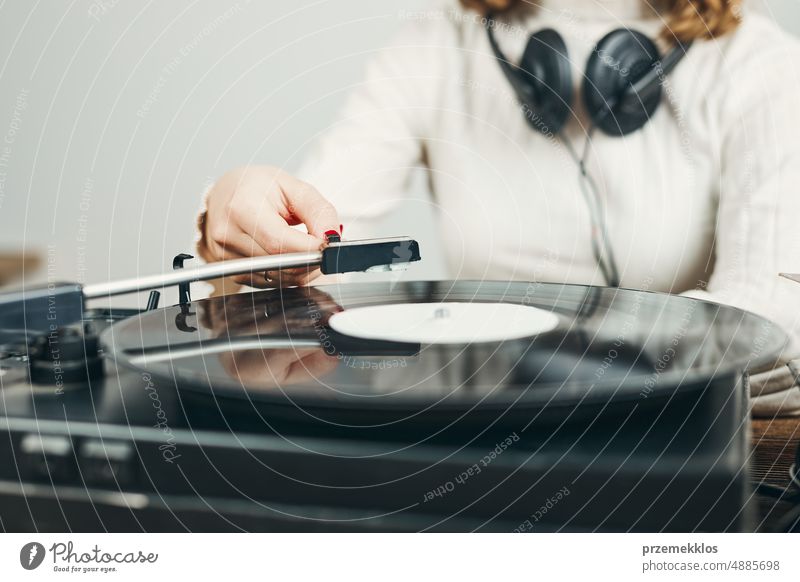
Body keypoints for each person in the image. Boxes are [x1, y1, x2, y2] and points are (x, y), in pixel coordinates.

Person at [195, 0, 800, 414]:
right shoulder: (441, 44)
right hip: (480, 436)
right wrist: (247, 225)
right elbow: (300, 231)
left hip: (657, 447)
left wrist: (604, 369)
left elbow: (776, 321)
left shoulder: (758, 68)